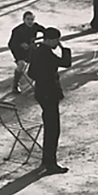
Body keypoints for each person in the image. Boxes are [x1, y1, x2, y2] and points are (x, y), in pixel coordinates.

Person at [27, 27, 72, 174]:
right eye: (56, 40)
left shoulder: (36, 51)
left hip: (40, 92)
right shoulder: (47, 54)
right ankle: (50, 163)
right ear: (50, 40)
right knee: (53, 129)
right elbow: (66, 63)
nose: (57, 43)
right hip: (50, 93)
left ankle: (46, 160)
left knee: (49, 126)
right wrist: (65, 49)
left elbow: (31, 73)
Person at [8, 11, 45, 93]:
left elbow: (45, 31)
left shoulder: (35, 26)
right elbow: (11, 44)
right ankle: (15, 85)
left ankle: (40, 82)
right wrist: (20, 44)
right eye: (28, 19)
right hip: (18, 51)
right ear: (23, 20)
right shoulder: (17, 30)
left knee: (41, 60)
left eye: (32, 19)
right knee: (22, 64)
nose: (30, 21)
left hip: (30, 50)